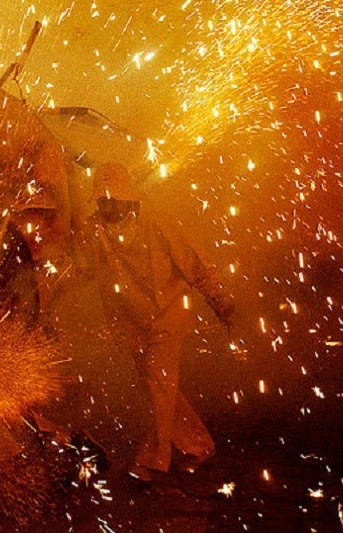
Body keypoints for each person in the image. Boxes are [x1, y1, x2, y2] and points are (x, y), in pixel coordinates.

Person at [78, 162, 234, 482]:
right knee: (158, 389)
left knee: (157, 379)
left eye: (112, 199)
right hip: (132, 320)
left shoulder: (157, 222)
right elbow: (81, 269)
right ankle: (198, 446)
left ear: (127, 197)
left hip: (170, 312)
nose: (107, 206)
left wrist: (218, 299)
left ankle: (152, 460)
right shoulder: (94, 231)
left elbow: (193, 260)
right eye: (102, 200)